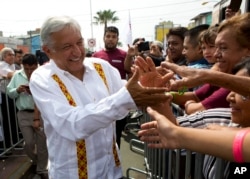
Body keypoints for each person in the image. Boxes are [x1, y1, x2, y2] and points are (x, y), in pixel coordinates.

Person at [29, 15, 169, 179]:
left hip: (111, 171)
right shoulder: (42, 79)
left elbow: (127, 95)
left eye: (79, 42)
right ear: (48, 51)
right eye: (67, 46)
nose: (77, 51)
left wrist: (147, 88)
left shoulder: (100, 67)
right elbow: (71, 124)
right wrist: (127, 96)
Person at [6, 54, 48, 178]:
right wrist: (17, 90)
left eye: (32, 68)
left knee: (42, 143)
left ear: (36, 66)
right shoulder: (17, 76)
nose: (30, 72)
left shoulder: (43, 75)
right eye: (27, 69)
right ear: (23, 67)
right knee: (29, 143)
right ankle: (36, 161)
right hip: (23, 113)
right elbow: (9, 92)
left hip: (41, 114)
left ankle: (41, 168)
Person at [92, 26, 132, 148]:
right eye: (108, 36)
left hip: (119, 102)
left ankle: (116, 162)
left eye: (113, 37)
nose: (110, 39)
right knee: (101, 135)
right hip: (101, 102)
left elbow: (129, 71)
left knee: (116, 136)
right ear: (104, 38)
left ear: (117, 39)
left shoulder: (124, 54)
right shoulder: (96, 55)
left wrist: (130, 56)